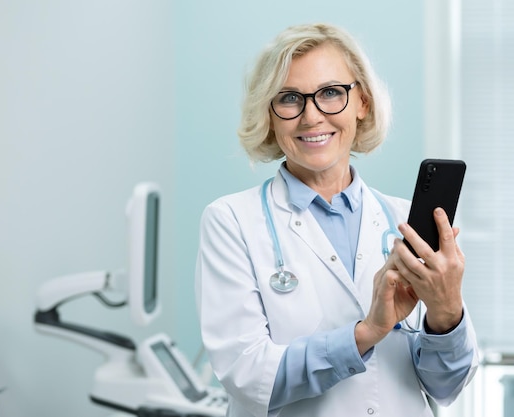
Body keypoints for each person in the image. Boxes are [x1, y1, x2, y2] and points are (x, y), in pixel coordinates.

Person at [195, 23, 479, 417]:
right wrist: (366, 334)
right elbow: (248, 376)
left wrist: (447, 314)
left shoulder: (404, 222)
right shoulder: (231, 222)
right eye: (290, 98)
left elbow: (447, 386)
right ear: (270, 115)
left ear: (361, 102)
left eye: (331, 92)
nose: (311, 116)